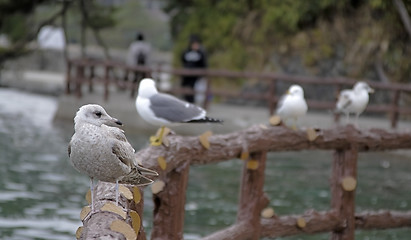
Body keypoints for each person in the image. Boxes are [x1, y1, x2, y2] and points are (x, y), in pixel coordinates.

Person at [181, 35, 207, 103]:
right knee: (186, 91)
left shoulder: (201, 53)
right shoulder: (186, 52)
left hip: (196, 77)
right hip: (187, 77)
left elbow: (204, 64)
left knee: (196, 93)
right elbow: (183, 61)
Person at [126, 32, 151, 97]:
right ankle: (144, 94)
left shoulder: (133, 45)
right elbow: (148, 57)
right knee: (144, 81)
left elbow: (131, 56)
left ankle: (132, 93)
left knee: (134, 80)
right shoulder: (147, 46)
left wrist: (131, 65)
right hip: (144, 66)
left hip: (135, 66)